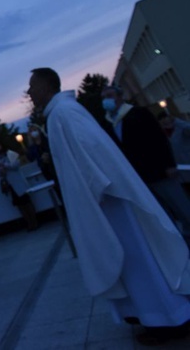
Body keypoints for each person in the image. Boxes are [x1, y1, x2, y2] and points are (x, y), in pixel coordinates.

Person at [28, 67, 190, 345]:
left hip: (109, 202)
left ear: (45, 87)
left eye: (32, 87)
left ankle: (169, 319)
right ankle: (151, 314)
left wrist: (96, 191)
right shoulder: (60, 114)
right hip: (105, 202)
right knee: (131, 259)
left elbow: (91, 151)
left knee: (139, 258)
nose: (29, 93)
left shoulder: (64, 114)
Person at [101, 86, 190, 240]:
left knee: (181, 206)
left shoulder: (138, 113)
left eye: (109, 95)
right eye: (103, 97)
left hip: (160, 170)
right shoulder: (110, 123)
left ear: (120, 96)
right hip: (140, 176)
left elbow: (159, 138)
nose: (106, 100)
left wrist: (169, 164)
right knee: (161, 213)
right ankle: (179, 242)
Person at [0, 141, 39, 231]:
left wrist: (5, 165)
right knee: (19, 205)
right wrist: (0, 171)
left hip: (18, 182)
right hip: (10, 185)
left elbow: (16, 165)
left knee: (26, 203)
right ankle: (29, 223)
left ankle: (35, 222)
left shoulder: (10, 154)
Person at [158, 111, 190, 179]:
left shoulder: (182, 130)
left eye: (166, 119)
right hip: (180, 170)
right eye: (162, 120)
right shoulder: (161, 135)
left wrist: (177, 121)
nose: (165, 122)